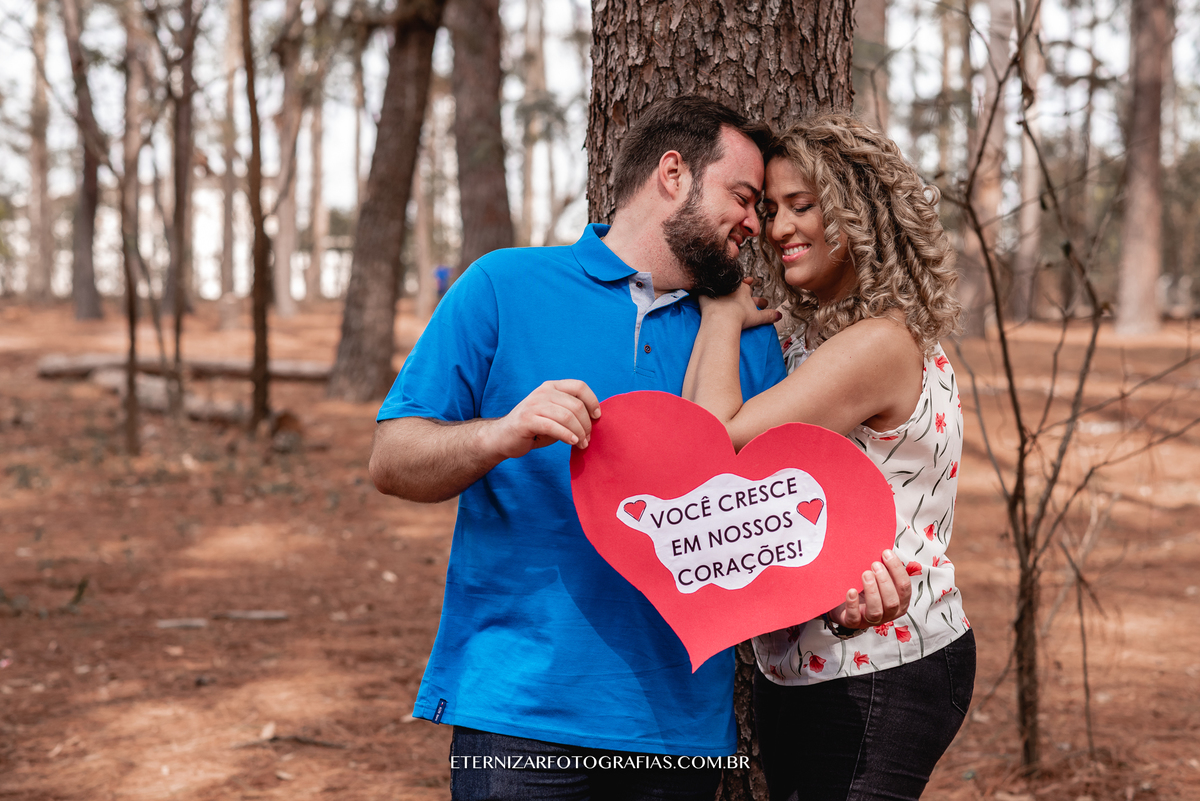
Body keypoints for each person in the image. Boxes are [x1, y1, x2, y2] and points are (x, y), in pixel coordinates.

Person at [369, 96, 913, 801]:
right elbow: (392, 458)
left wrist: (841, 601)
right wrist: (499, 434)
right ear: (672, 172)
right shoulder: (502, 286)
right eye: (743, 198)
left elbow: (764, 535)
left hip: (681, 738)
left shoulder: (747, 342)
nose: (758, 225)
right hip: (517, 716)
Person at [683, 114, 975, 800]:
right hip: (823, 661)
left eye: (803, 205)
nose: (777, 227)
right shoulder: (828, 337)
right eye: (770, 208)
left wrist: (722, 315)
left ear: (860, 212)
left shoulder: (875, 344)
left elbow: (712, 441)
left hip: (878, 664)